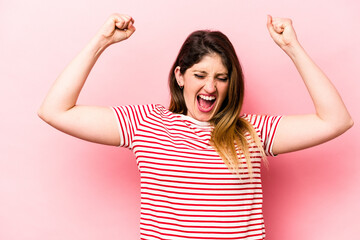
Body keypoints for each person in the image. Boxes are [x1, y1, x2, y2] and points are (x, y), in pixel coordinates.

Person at [38, 13, 353, 240]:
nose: (211, 87)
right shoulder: (144, 123)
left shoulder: (252, 131)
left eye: (221, 77)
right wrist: (101, 41)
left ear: (231, 83)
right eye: (200, 75)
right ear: (180, 76)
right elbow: (55, 110)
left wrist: (292, 49)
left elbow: (336, 120)